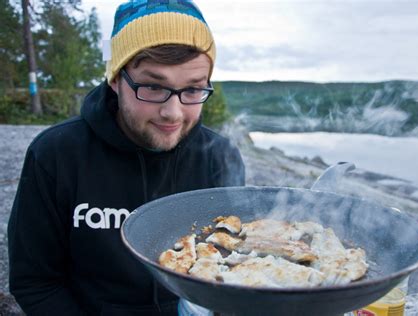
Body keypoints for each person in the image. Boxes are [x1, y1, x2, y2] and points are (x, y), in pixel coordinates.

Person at [7, 1, 245, 315]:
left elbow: (235, 267)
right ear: (116, 79)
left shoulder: (219, 158)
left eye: (193, 89)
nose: (172, 112)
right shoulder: (56, 154)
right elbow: (35, 282)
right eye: (152, 86)